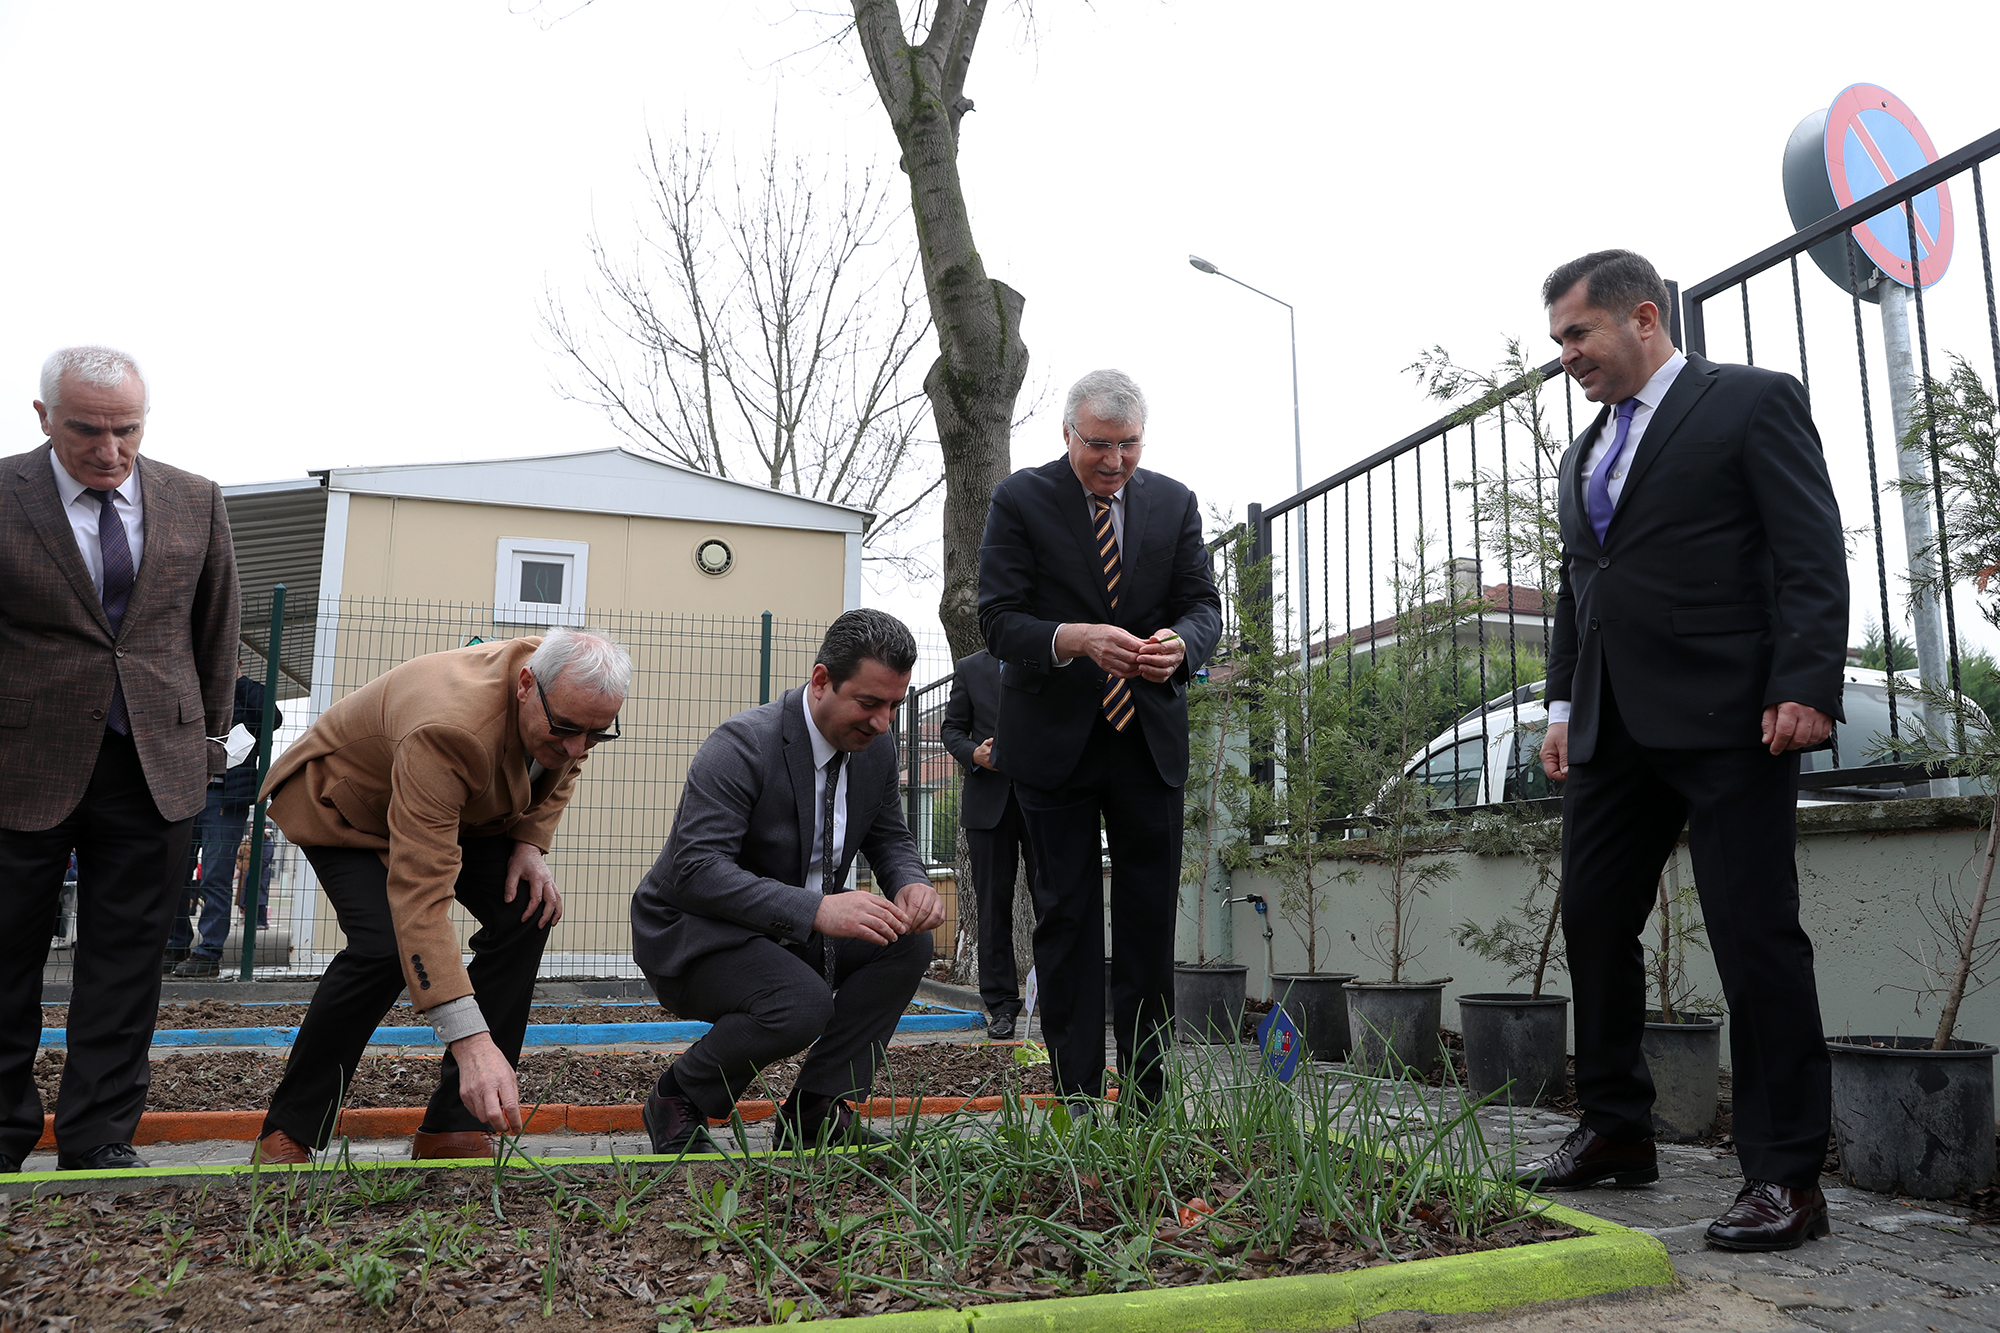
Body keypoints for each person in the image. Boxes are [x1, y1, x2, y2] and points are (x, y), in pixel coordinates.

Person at [1522, 251, 1847, 1253]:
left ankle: (1785, 1176)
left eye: (1576, 334)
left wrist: (1803, 683)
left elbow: (1808, 546)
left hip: (1730, 716)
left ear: (1643, 318)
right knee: (1590, 914)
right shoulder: (1583, 452)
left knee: (1753, 935)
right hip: (1612, 725)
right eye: (1557, 341)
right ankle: (1617, 1125)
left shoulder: (1747, 402)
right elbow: (1583, 582)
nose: (1565, 354)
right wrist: (1562, 703)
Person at [249, 629, 628, 1163]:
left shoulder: (565, 695)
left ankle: (455, 1126)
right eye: (565, 730)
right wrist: (470, 1040)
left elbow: (564, 766)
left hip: (457, 805)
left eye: (595, 734)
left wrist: (528, 844)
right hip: (350, 804)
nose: (576, 747)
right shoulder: (450, 726)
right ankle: (289, 1130)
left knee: (526, 907)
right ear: (525, 686)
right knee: (384, 947)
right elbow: (422, 892)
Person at [0, 346, 240, 1173]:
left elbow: (213, 630)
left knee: (127, 960)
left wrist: (206, 743)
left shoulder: (195, 499)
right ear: (42, 418)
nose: (109, 450)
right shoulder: (2, 493)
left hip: (153, 763)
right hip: (19, 763)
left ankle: (98, 1137)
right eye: (86, 430)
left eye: (126, 430)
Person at [976, 369, 1222, 1112]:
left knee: (1148, 924)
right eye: (1099, 446)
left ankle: (1148, 1098)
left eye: (1129, 445)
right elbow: (997, 619)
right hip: (1054, 746)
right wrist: (1073, 639)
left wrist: (1183, 644)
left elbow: (1203, 605)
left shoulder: (1174, 503)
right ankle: (1078, 1092)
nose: (1114, 462)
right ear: (1067, 434)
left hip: (1146, 743)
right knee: (1067, 919)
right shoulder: (1020, 499)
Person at [630, 609, 944, 1155]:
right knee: (801, 1002)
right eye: (869, 703)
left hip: (790, 931)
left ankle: (817, 1109)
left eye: (894, 705)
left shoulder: (876, 753)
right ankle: (678, 1097)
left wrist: (911, 885)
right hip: (698, 934)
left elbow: (891, 840)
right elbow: (698, 868)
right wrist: (817, 910)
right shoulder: (742, 745)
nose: (882, 723)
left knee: (907, 941)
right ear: (821, 681)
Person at [940, 648, 1038, 1039]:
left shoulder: (1043, 658)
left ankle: (1061, 995)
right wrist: (974, 755)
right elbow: (951, 729)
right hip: (987, 806)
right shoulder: (969, 668)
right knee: (992, 907)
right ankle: (1001, 1007)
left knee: (1054, 901)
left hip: (1042, 799)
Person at [166, 673, 281, 979]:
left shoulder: (245, 692)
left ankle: (208, 952)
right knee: (175, 872)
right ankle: (175, 944)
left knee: (215, 877)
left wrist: (240, 681)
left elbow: (274, 718)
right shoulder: (188, 684)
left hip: (225, 798)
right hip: (185, 793)